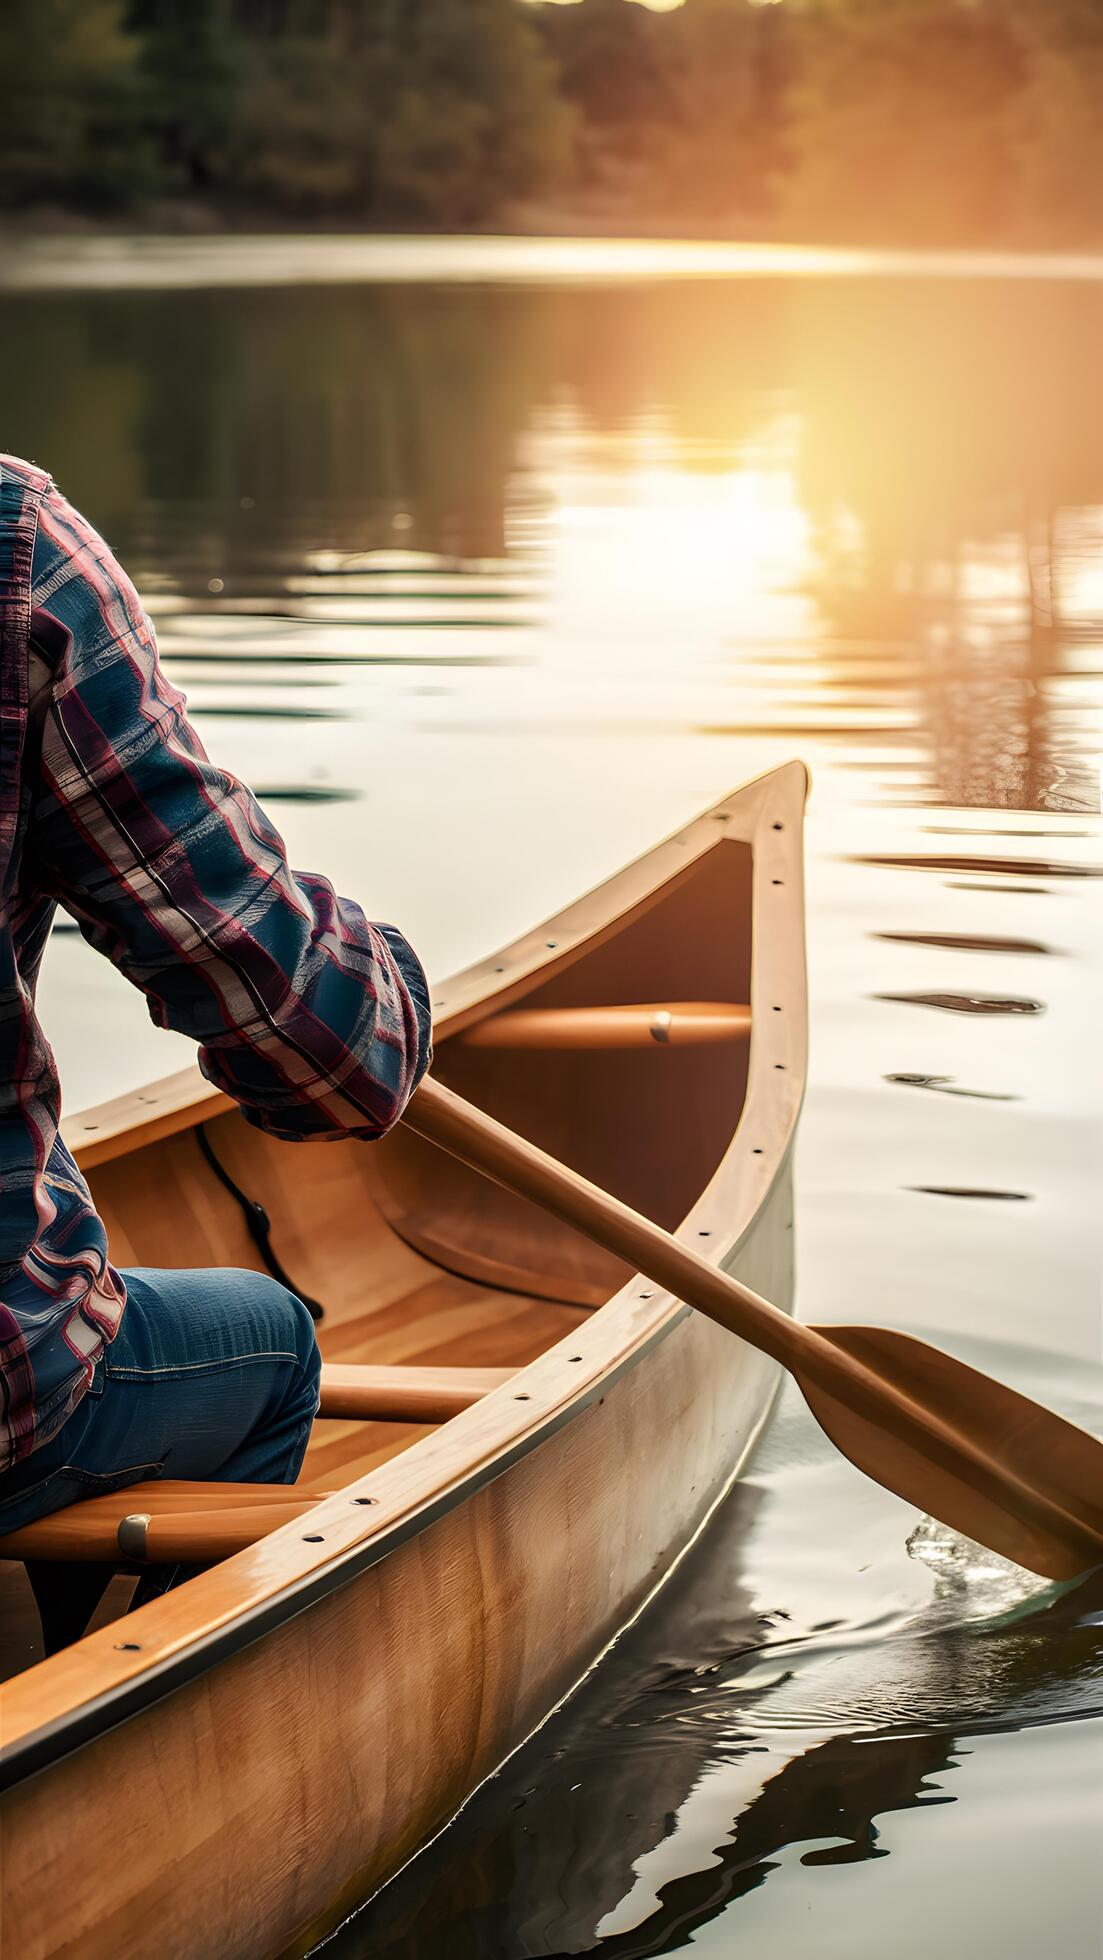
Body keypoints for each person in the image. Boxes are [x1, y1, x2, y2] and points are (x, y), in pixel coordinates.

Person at [0, 455, 432, 1590]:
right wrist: (389, 988)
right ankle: (94, 1722)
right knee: (274, 1339)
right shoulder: (17, 552)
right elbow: (326, 1062)